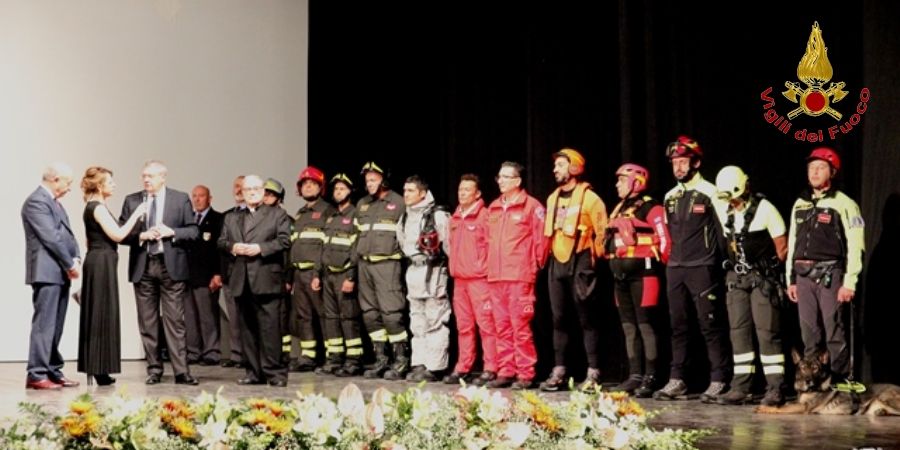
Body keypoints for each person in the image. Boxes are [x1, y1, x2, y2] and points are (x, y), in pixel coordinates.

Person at [654, 135, 731, 402]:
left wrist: (724, 263)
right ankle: (677, 380)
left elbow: (725, 231)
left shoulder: (711, 192)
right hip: (676, 267)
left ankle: (719, 379)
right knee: (678, 325)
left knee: (710, 325)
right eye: (675, 162)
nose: (678, 167)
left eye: (683, 161)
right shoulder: (669, 196)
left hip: (703, 267)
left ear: (696, 162)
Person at [710, 166, 789, 406]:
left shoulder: (766, 210)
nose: (730, 202)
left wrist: (768, 272)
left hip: (762, 279)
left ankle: (775, 387)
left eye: (732, 197)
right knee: (738, 332)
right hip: (737, 279)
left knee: (767, 332)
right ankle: (741, 386)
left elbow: (782, 248)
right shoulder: (724, 208)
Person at [786, 147, 865, 386]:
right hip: (803, 276)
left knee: (834, 332)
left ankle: (840, 381)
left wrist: (849, 281)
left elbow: (856, 243)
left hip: (831, 275)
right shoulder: (800, 203)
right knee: (809, 333)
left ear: (832, 172)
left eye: (821, 168)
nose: (815, 172)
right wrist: (790, 279)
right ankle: (814, 383)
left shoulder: (845, 204)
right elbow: (792, 241)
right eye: (811, 168)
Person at [119, 160, 199, 385]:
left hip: (169, 264)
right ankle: (154, 369)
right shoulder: (132, 200)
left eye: (151, 176)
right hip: (143, 265)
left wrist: (171, 232)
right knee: (148, 321)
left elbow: (193, 231)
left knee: (175, 321)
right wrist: (141, 236)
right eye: (144, 175)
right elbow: (120, 232)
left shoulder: (179, 198)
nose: (146, 180)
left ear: (163, 177)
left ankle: (181, 371)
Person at [539, 149, 608, 392]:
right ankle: (559, 369)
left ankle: (594, 371)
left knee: (586, 318)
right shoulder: (551, 199)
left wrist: (592, 261)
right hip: (557, 262)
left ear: (574, 168)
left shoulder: (591, 199)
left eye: (560, 165)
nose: (555, 169)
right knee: (558, 318)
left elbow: (603, 234)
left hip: (581, 262)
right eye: (555, 165)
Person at [218, 175, 293, 386]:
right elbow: (222, 241)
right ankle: (254, 372)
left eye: (256, 189)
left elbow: (284, 241)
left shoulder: (277, 214)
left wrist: (260, 248)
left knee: (270, 330)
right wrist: (233, 247)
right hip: (241, 280)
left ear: (263, 191)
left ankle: (275, 374)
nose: (251, 192)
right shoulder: (232, 217)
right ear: (241, 192)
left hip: (266, 279)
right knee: (247, 330)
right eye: (247, 189)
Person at [604, 163, 671, 398]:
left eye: (621, 180)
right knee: (629, 327)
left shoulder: (652, 208)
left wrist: (661, 267)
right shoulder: (619, 209)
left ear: (636, 182)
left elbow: (665, 242)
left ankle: (651, 376)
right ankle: (635, 375)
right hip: (620, 277)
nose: (616, 185)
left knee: (646, 326)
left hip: (644, 276)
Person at [78, 167, 147, 385]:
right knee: (100, 312)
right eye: (110, 182)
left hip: (101, 260)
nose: (114, 185)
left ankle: (99, 368)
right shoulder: (96, 207)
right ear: (99, 185)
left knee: (103, 311)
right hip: (101, 263)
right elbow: (117, 235)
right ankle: (98, 368)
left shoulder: (97, 207)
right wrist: (137, 214)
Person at [486, 161, 548, 389]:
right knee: (500, 326)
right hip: (495, 277)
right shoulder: (493, 207)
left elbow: (542, 240)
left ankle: (525, 372)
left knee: (519, 327)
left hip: (519, 277)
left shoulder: (531, 206)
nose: (500, 180)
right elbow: (485, 241)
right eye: (499, 177)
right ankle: (506, 369)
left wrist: (533, 266)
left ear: (517, 181)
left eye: (505, 177)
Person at [22, 163, 82, 390]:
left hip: (60, 272)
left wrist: (76, 257)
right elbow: (51, 237)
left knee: (56, 325)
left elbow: (67, 234)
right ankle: (37, 374)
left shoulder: (55, 204)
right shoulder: (36, 202)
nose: (69, 188)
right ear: (56, 179)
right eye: (68, 183)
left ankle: (52, 370)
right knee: (44, 324)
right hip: (47, 272)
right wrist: (69, 263)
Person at [356, 161, 409, 380]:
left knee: (391, 314)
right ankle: (381, 359)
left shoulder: (398, 202)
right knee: (370, 315)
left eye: (373, 179)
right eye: (367, 180)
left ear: (384, 179)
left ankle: (401, 360)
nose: (369, 183)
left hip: (387, 265)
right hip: (365, 265)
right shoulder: (362, 204)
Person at [443, 174, 498, 386]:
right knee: (463, 326)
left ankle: (491, 366)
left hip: (479, 280)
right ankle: (463, 366)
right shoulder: (455, 217)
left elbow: (492, 246)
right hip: (460, 280)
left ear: (477, 194)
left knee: (486, 324)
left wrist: (483, 268)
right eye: (460, 189)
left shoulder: (484, 215)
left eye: (467, 190)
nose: (462, 193)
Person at [397, 175, 451, 382]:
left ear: (422, 193)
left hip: (433, 270)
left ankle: (435, 366)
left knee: (435, 319)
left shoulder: (437, 215)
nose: (406, 195)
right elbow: (403, 243)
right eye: (404, 191)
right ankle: (419, 362)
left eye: (410, 191)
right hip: (414, 269)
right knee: (417, 321)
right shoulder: (405, 217)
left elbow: (448, 244)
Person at [313, 173, 365, 376]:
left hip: (344, 275)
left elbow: (356, 249)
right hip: (328, 277)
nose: (338, 192)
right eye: (336, 189)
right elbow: (322, 248)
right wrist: (317, 274)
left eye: (342, 189)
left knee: (348, 318)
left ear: (350, 191)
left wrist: (351, 276)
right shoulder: (331, 216)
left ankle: (354, 360)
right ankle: (334, 359)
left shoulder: (355, 215)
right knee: (331, 318)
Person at [288, 167, 335, 372]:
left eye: (312, 183)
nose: (308, 187)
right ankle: (308, 356)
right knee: (303, 316)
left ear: (320, 187)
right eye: (304, 184)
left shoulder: (327, 211)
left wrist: (318, 273)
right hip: (299, 273)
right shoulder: (300, 214)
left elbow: (327, 245)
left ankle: (331, 356)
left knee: (324, 315)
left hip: (316, 274)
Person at [185, 184, 224, 366]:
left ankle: (211, 352)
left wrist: (218, 274)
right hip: (188, 276)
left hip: (207, 276)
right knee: (190, 317)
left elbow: (219, 251)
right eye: (195, 196)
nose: (197, 199)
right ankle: (193, 352)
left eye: (201, 196)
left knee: (208, 316)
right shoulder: (188, 219)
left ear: (209, 198)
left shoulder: (218, 219)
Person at [220, 175, 246, 368]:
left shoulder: (261, 214)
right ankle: (237, 355)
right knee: (234, 318)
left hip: (253, 274)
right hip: (231, 273)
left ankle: (252, 355)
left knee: (250, 317)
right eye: (235, 186)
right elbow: (220, 244)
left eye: (241, 186)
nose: (238, 190)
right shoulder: (227, 216)